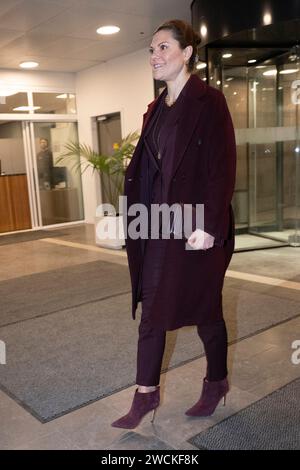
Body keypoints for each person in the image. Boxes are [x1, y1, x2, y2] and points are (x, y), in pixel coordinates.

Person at [112, 19, 236, 429]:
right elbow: (148, 170)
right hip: (157, 224)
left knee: (206, 312)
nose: (155, 56)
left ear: (187, 54)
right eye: (151, 50)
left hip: (197, 227)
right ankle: (145, 394)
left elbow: (222, 168)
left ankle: (216, 381)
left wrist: (212, 226)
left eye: (164, 48)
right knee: (151, 309)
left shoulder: (209, 102)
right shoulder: (155, 110)